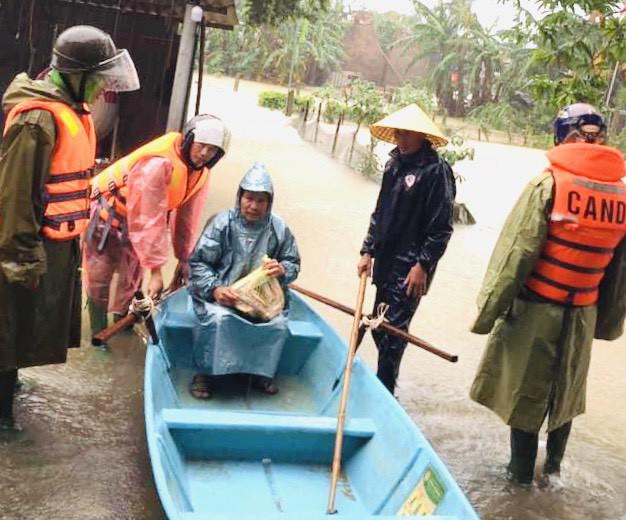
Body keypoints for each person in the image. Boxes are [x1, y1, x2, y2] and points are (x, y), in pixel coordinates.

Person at [469, 103, 626, 488]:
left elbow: (515, 255)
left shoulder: (548, 185)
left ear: (562, 137)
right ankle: (553, 474)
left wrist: (487, 313)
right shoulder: (621, 195)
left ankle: (519, 479)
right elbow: (620, 273)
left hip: (538, 311)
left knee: (525, 394)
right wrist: (606, 325)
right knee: (565, 394)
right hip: (583, 313)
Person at [0, 25, 140, 430]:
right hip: (25, 244)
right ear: (75, 76)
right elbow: (16, 197)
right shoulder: (38, 120)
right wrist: (22, 259)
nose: (101, 89)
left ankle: (10, 385)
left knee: (27, 326)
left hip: (54, 243)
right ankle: (3, 416)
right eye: (97, 79)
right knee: (9, 326)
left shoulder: (72, 111)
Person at [84, 113, 229, 342]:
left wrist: (184, 258)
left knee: (131, 281)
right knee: (99, 277)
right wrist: (156, 271)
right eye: (201, 145)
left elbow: (187, 219)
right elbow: (148, 219)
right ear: (189, 139)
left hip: (137, 224)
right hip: (106, 218)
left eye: (212, 151)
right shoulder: (157, 163)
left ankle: (122, 326)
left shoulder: (200, 173)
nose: (204, 154)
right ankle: (97, 332)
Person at [357, 104, 456, 395]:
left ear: (421, 136)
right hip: (386, 260)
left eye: (406, 133)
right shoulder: (393, 165)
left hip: (412, 267)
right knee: (378, 324)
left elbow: (441, 227)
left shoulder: (436, 171)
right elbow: (380, 213)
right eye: (398, 133)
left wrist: (423, 265)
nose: (400, 139)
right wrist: (367, 251)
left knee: (394, 331)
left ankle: (385, 392)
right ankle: (385, 382)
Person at [188, 162, 300, 398]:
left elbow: (293, 263)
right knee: (219, 319)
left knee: (278, 323)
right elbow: (198, 263)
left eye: (261, 200)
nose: (254, 206)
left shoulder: (279, 228)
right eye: (249, 198)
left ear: (269, 203)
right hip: (222, 296)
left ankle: (259, 372)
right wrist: (215, 289)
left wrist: (282, 269)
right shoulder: (222, 223)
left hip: (261, 299)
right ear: (239, 197)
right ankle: (205, 374)